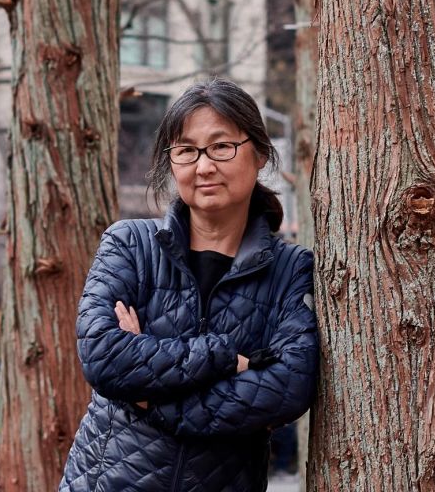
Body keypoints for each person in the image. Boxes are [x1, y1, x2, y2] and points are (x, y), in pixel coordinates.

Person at [59, 78, 319, 492]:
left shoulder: (289, 268)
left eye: (221, 147)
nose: (204, 166)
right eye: (186, 151)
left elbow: (288, 387)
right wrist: (225, 358)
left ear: (260, 155)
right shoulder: (129, 245)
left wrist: (149, 398)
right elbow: (104, 357)